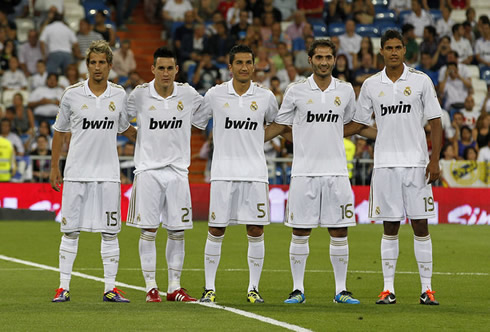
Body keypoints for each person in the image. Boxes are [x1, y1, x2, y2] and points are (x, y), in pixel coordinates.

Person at [264, 39, 377, 304]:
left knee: (339, 231)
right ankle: (297, 289)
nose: (324, 62)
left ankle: (341, 290)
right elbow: (281, 125)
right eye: (319, 57)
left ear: (335, 60)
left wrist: (384, 136)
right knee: (300, 231)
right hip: (304, 172)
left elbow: (354, 123)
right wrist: (252, 140)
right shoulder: (296, 90)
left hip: (337, 172)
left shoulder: (346, 90)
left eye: (328, 57)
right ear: (310, 60)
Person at [345, 29, 443, 305]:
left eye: (398, 47)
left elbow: (435, 121)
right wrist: (328, 130)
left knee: (421, 225)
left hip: (416, 164)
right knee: (390, 226)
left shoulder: (422, 81)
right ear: (381, 51)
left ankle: (427, 289)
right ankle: (388, 289)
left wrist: (434, 158)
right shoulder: (371, 85)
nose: (394, 52)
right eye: (388, 48)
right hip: (386, 164)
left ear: (404, 51)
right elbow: (361, 124)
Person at [49, 40, 137, 303]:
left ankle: (110, 288)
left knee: (110, 231)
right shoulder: (72, 94)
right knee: (70, 231)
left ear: (110, 65)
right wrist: (55, 166)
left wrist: (152, 139)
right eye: (93, 62)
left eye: (102, 63)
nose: (97, 67)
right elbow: (59, 131)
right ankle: (63, 287)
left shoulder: (119, 95)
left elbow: (126, 129)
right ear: (87, 65)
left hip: (108, 174)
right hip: (76, 173)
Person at [192, 44, 279, 303]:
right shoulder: (215, 94)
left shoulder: (266, 96)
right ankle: (209, 289)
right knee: (216, 229)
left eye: (248, 62)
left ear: (254, 65)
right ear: (230, 67)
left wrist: (256, 138)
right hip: (223, 173)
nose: (244, 67)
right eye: (238, 62)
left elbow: (278, 124)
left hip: (255, 173)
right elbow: (197, 123)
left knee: (255, 230)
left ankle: (253, 288)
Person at [126, 47, 203, 302]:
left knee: (177, 231)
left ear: (177, 70)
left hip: (178, 172)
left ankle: (174, 287)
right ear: (153, 70)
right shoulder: (139, 95)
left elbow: (204, 117)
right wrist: (138, 138)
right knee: (148, 230)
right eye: (161, 68)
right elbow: (119, 119)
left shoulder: (189, 94)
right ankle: (151, 288)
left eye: (170, 68)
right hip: (148, 171)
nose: (166, 73)